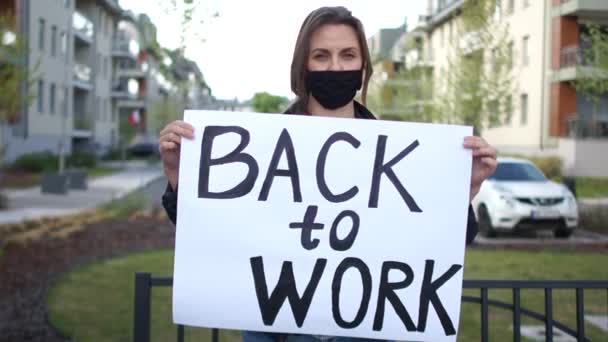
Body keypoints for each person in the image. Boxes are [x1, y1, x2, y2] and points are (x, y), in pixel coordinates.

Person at [159, 6, 497, 342]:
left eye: (348, 55)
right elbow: (214, 236)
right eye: (322, 56)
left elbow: (435, 250)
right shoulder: (261, 149)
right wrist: (178, 177)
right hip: (276, 330)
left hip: (366, 332)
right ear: (303, 65)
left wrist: (464, 190)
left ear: (363, 64)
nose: (336, 67)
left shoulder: (401, 156)